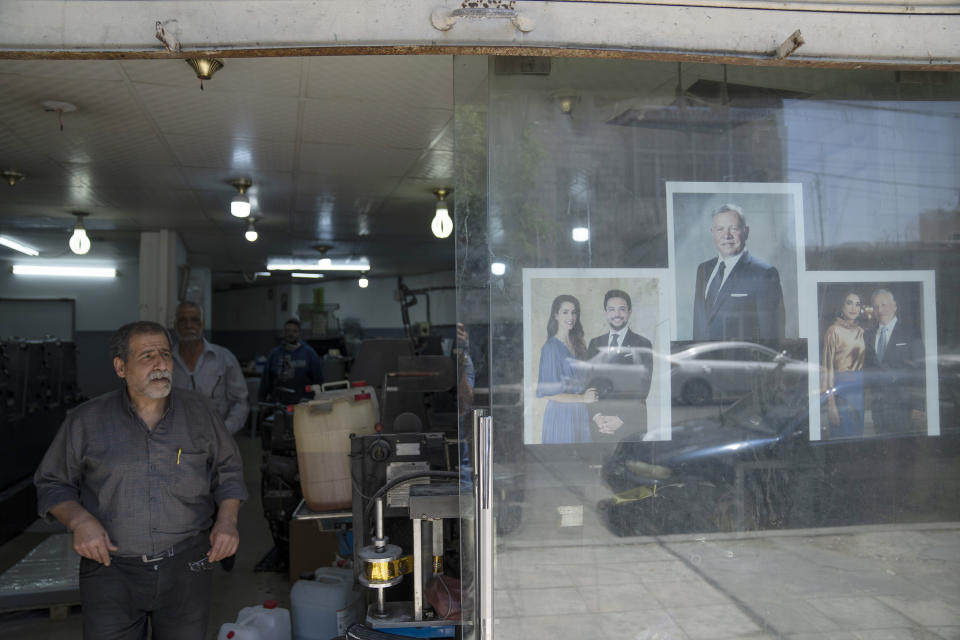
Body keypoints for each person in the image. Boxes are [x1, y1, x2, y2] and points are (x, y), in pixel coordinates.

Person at [34, 321, 247, 640]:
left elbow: (228, 470)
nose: (161, 363)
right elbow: (52, 481)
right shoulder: (85, 421)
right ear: (121, 367)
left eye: (165, 353)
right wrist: (79, 520)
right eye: (147, 356)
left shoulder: (200, 412)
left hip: (186, 567)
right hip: (110, 570)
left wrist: (228, 521)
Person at [692, 204, 785, 342]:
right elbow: (699, 326)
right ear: (712, 232)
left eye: (733, 228)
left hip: (741, 362)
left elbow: (771, 337)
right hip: (703, 362)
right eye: (720, 229)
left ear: (746, 231)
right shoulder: (703, 270)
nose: (726, 235)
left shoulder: (764, 274)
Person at [585, 290, 653, 442]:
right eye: (611, 309)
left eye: (622, 309)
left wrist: (620, 419)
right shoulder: (594, 343)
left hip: (631, 424)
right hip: (599, 425)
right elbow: (588, 383)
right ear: (605, 313)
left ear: (629, 312)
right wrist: (597, 417)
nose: (617, 314)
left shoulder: (642, 344)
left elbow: (643, 388)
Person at [171, 301, 249, 435]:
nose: (189, 326)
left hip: (217, 439)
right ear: (175, 325)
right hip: (177, 439)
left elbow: (240, 402)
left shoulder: (224, 358)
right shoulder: (165, 362)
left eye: (194, 320)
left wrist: (225, 431)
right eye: (183, 320)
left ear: (202, 323)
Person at [536, 295, 598, 444]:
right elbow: (549, 393)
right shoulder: (551, 348)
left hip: (580, 414)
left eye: (574, 312)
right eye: (565, 312)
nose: (571, 317)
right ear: (556, 315)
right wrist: (583, 398)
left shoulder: (579, 345)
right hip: (561, 416)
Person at [864, 289, 925, 435]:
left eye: (884, 305)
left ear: (894, 306)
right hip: (879, 409)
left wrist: (918, 405)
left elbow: (920, 370)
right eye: (876, 306)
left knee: (904, 452)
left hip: (903, 408)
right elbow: (869, 369)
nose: (880, 310)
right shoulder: (869, 335)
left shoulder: (910, 332)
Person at [820, 291, 866, 438]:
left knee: (858, 434)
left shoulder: (860, 331)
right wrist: (831, 403)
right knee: (843, 435)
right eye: (849, 303)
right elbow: (827, 368)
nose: (854, 308)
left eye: (857, 304)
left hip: (858, 388)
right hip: (841, 389)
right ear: (842, 306)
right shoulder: (833, 331)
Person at [258, 317, 324, 402]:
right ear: (283, 332)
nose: (290, 334)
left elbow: (319, 381)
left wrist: (319, 400)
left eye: (294, 331)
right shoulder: (274, 354)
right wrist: (261, 400)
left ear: (299, 333)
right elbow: (265, 381)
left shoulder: (309, 353)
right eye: (287, 330)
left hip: (303, 403)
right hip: (279, 404)